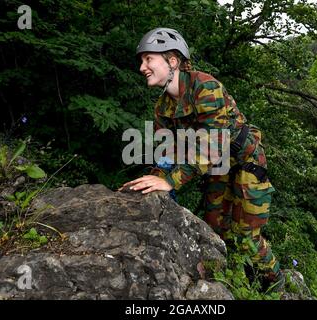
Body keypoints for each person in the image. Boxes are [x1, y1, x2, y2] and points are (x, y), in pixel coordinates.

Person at [119, 27, 281, 287]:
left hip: (245, 162)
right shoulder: (163, 107)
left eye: (148, 59)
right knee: (215, 230)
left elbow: (211, 148)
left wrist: (171, 182)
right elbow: (166, 153)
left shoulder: (205, 88)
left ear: (172, 60)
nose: (142, 67)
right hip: (217, 168)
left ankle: (277, 284)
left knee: (246, 236)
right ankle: (228, 284)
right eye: (141, 61)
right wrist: (151, 182)